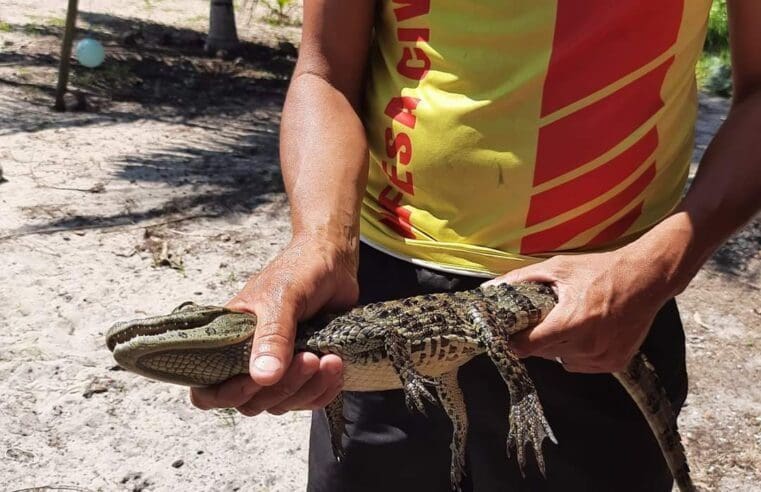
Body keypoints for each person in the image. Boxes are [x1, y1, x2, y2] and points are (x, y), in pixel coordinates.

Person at [190, 1, 761, 490]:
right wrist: (320, 242)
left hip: (598, 304)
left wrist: (659, 266)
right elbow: (325, 73)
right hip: (381, 292)